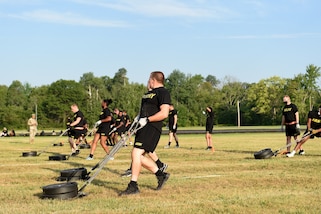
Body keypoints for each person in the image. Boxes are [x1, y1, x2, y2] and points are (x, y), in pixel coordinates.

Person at [120, 71, 171, 195]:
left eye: (149, 79)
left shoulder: (163, 92)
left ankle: (133, 185)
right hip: (142, 127)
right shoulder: (148, 94)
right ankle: (160, 175)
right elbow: (144, 111)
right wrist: (138, 119)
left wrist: (148, 119)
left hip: (152, 127)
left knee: (136, 153)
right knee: (137, 156)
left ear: (153, 79)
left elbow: (164, 113)